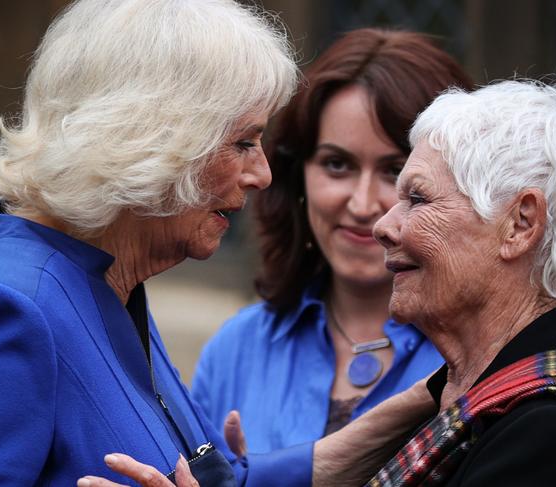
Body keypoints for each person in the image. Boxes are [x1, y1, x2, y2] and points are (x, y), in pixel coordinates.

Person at [0, 1, 436, 486]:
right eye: (243, 142)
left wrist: (432, 398)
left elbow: (219, 479)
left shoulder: (108, 283)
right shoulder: (15, 306)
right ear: (148, 140)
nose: (262, 174)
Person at [191, 28, 473, 452]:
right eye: (337, 164)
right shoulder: (236, 350)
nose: (362, 205)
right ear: (296, 175)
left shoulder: (481, 357)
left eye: (396, 171)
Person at [368, 79, 556, 486]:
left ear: (520, 225)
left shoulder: (550, 434)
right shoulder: (471, 402)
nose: (383, 226)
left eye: (418, 199)